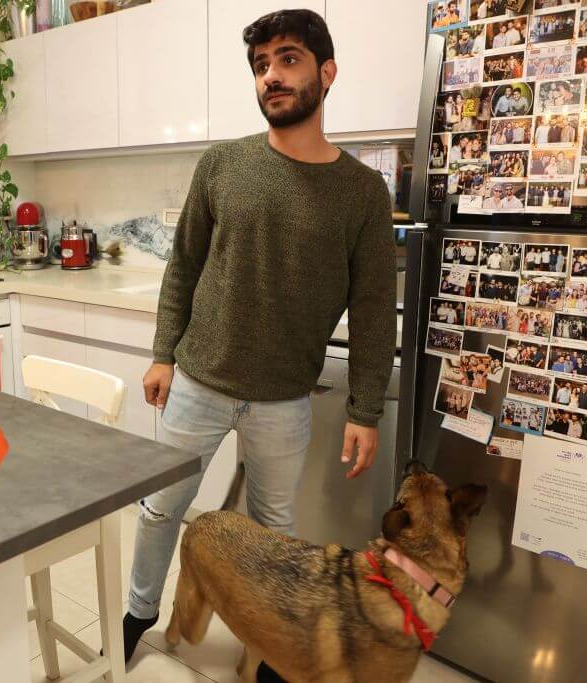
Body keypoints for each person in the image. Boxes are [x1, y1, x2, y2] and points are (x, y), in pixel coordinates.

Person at [126, 9, 397, 670]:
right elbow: (184, 265)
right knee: (161, 510)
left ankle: (267, 650)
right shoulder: (222, 163)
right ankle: (137, 615)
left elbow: (372, 308)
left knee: (276, 536)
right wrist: (164, 351)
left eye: (288, 59)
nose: (271, 75)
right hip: (198, 380)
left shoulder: (363, 192)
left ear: (326, 73)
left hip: (284, 400)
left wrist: (365, 409)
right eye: (260, 65)